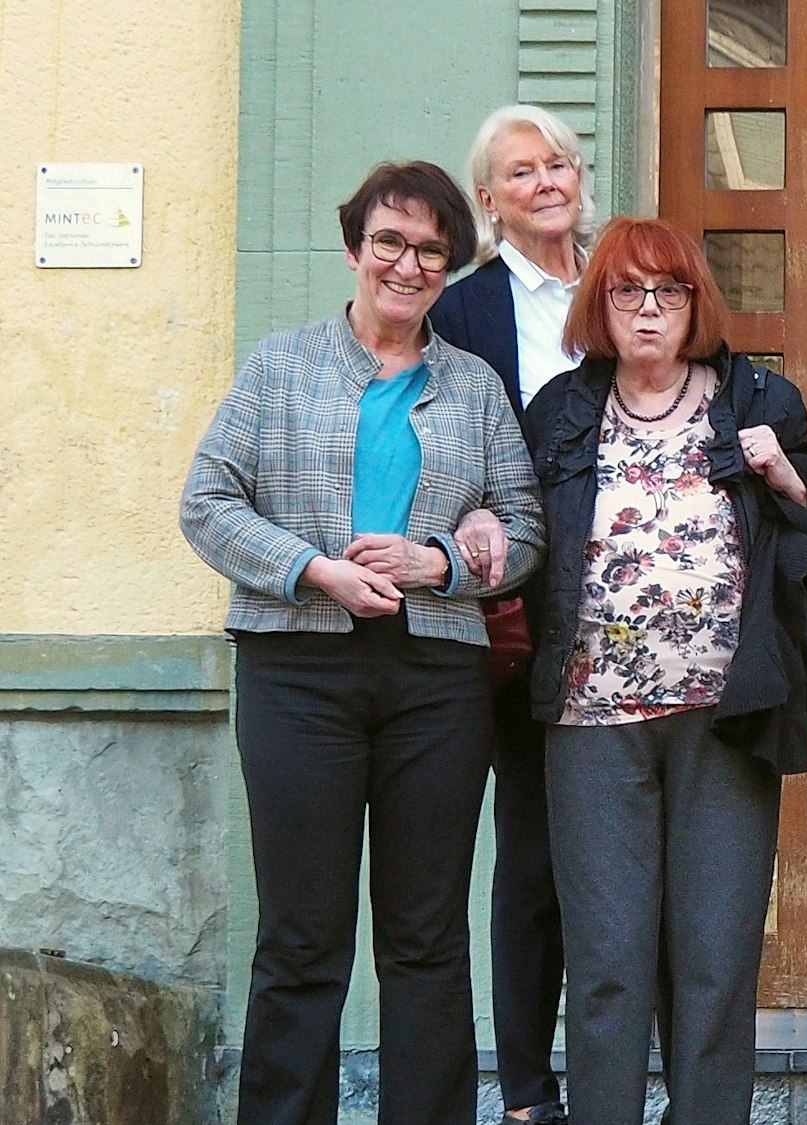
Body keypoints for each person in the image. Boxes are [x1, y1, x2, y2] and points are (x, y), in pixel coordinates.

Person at [180, 160, 543, 1125]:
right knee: (302, 935)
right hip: (296, 667)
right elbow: (207, 502)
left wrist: (441, 564)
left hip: (437, 674)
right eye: (391, 241)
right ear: (355, 248)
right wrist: (314, 568)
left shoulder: (472, 387)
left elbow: (524, 525)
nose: (409, 263)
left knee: (425, 936)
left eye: (432, 250)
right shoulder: (279, 365)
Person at [522, 216, 807, 1125]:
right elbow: (527, 537)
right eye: (625, 291)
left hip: (729, 710)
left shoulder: (756, 399)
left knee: (715, 958)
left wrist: (788, 477)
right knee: (606, 959)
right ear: (599, 306)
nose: (647, 310)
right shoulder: (561, 409)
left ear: (694, 305)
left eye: (667, 291)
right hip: (590, 716)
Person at [429, 102, 594, 1125]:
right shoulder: (462, 310)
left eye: (558, 164)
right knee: (533, 854)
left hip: (644, 599)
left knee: (634, 858)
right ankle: (530, 1093)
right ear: (488, 200)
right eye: (520, 172)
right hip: (519, 614)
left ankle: (636, 1074)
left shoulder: (632, 275)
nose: (545, 181)